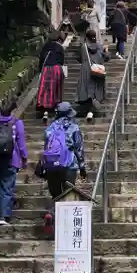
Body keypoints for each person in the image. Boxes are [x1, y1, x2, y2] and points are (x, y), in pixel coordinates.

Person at [42, 102, 85, 230]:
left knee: (55, 194)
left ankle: (52, 213)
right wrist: (82, 167)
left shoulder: (50, 129)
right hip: (69, 166)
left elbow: (46, 148)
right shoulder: (74, 128)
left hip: (51, 166)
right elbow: (79, 149)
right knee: (67, 195)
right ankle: (65, 227)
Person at [75, 29, 110, 121]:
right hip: (98, 70)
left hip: (86, 70)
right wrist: (106, 50)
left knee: (87, 88)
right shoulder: (100, 46)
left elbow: (79, 59)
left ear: (87, 37)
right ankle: (92, 109)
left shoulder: (84, 47)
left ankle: (88, 108)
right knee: (96, 88)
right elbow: (107, 57)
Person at [37, 30, 66, 121]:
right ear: (59, 38)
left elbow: (41, 59)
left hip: (46, 68)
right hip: (56, 69)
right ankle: (55, 106)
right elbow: (61, 61)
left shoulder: (45, 46)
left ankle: (45, 109)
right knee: (56, 88)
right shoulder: (59, 47)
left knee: (45, 88)